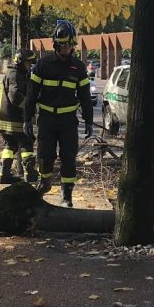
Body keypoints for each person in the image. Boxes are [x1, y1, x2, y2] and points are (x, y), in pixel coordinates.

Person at [25, 20, 93, 207]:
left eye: (71, 45)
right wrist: (27, 119)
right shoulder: (43, 65)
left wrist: (89, 120)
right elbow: (31, 94)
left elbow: (85, 96)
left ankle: (66, 196)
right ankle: (45, 182)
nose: (68, 49)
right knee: (45, 155)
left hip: (68, 121)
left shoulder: (78, 68)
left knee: (68, 157)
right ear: (56, 43)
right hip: (47, 119)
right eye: (64, 44)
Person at [0, 48, 39, 185]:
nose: (30, 66)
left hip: (3, 116)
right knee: (27, 141)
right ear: (21, 62)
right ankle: (30, 174)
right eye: (29, 63)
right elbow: (15, 97)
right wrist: (30, 107)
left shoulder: (16, 72)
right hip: (10, 116)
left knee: (10, 144)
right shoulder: (15, 74)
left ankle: (4, 174)